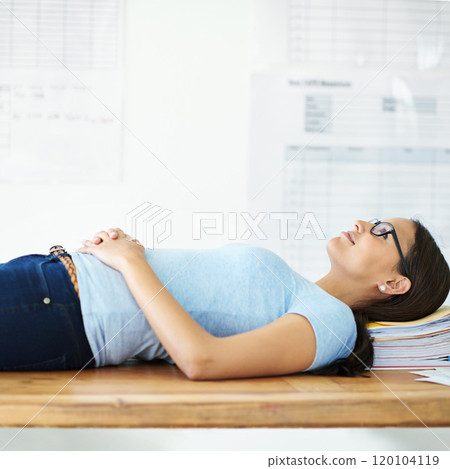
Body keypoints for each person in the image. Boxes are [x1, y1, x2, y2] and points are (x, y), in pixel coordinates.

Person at [0, 217, 448, 380]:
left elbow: (203, 360)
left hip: (60, 310)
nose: (362, 224)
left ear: (395, 284)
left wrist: (131, 262)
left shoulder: (334, 324)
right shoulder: (303, 291)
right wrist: (125, 252)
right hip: (50, 280)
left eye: (382, 232)